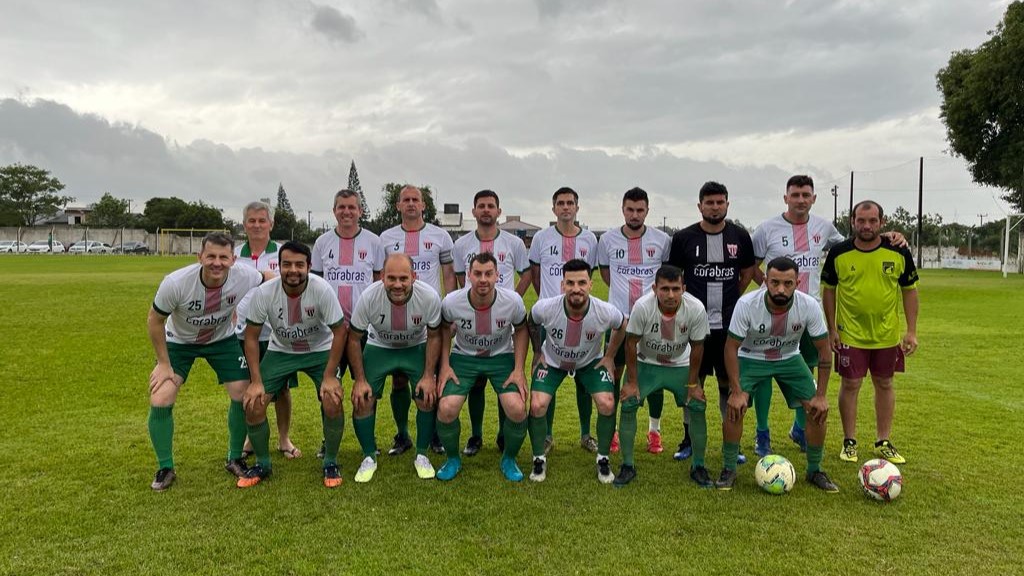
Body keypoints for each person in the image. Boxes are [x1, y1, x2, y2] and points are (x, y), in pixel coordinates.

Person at [750, 176, 906, 457]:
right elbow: (750, 266)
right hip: (772, 313)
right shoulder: (766, 229)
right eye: (795, 194)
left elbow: (855, 244)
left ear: (813, 199)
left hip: (808, 315)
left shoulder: (824, 227)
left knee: (805, 371)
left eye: (805, 194)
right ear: (785, 197)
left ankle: (800, 429)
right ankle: (762, 433)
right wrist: (772, 288)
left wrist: (888, 237)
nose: (800, 199)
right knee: (762, 372)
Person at [146, 232, 265, 491]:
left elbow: (267, 278)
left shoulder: (244, 275)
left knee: (243, 394)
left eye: (223, 257)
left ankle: (235, 458)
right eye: (210, 256)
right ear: (200, 257)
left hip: (221, 341)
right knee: (161, 397)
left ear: (234, 259)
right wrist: (163, 363)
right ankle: (165, 466)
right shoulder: (176, 283)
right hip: (179, 342)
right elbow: (154, 320)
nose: (217, 262)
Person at [716, 257, 838, 493]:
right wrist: (737, 391)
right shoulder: (747, 303)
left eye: (788, 283)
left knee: (817, 409)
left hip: (790, 357)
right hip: (751, 357)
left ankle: (815, 470)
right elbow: (731, 347)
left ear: (798, 282)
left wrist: (821, 395)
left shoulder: (809, 305)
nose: (781, 289)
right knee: (735, 407)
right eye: (775, 283)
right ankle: (729, 468)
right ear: (765, 280)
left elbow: (824, 350)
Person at [237, 242, 348, 488]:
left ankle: (330, 461)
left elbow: (340, 332)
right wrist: (255, 382)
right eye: (287, 264)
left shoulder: (321, 289)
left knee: (332, 398)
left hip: (319, 351)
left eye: (300, 264)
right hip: (281, 350)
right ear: (279, 266)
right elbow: (252, 336)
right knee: (254, 403)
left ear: (309, 266)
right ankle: (263, 464)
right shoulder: (265, 292)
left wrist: (330, 375)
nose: (293, 270)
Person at [822, 200, 919, 464]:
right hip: (850, 333)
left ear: (882, 222)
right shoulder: (839, 252)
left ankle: (883, 440)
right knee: (851, 383)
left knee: (885, 383)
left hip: (886, 335)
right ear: (852, 221)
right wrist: (832, 329)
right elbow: (829, 290)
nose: (866, 226)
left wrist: (911, 331)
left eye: (872, 221)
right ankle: (849, 441)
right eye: (861, 220)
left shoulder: (898, 251)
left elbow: (909, 291)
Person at [668, 181, 755, 463]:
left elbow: (746, 273)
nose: (715, 207)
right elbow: (675, 278)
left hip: (729, 326)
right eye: (709, 203)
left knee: (728, 384)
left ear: (727, 204)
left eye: (720, 202)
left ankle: (733, 441)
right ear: (700, 206)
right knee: (693, 383)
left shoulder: (740, 236)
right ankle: (689, 439)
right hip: (694, 327)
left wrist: (731, 301)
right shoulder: (683, 238)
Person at [527, 259, 626, 484]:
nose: (576, 288)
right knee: (537, 404)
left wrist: (609, 356)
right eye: (570, 283)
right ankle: (538, 458)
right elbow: (531, 321)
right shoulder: (547, 307)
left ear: (591, 284)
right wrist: (536, 351)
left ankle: (603, 459)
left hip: (589, 363)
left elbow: (622, 325)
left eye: (582, 282)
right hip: (553, 362)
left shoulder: (604, 311)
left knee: (608, 403)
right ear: (562, 285)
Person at [347, 254, 443, 482]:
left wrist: (430, 375)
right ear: (382, 277)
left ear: (414, 277)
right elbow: (353, 339)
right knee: (363, 398)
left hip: (414, 346)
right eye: (391, 278)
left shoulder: (428, 296)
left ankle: (421, 454)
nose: (397, 284)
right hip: (380, 346)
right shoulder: (370, 296)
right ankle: (369, 456)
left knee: (426, 395)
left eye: (403, 278)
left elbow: (435, 335)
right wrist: (359, 380)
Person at [435, 253, 531, 481]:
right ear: (468, 275)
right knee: (447, 407)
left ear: (498, 276)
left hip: (501, 357)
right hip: (464, 357)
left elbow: (522, 330)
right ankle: (452, 459)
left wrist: (518, 369)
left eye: (489, 273)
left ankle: (509, 458)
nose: (483, 279)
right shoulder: (451, 301)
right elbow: (444, 330)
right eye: (477, 273)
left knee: (517, 408)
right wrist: (445, 365)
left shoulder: (513, 300)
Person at [451, 190, 531, 456]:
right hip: (471, 318)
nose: (486, 210)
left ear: (498, 211)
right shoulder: (461, 244)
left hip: (502, 322)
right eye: (481, 206)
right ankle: (475, 435)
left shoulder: (514, 244)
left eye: (491, 206)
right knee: (475, 382)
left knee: (503, 379)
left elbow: (527, 273)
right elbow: (460, 280)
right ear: (473, 211)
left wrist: (511, 301)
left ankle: (502, 433)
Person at [616, 265, 710, 487]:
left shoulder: (696, 308)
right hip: (646, 362)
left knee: (697, 404)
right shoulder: (642, 306)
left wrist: (693, 384)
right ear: (654, 288)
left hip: (680, 364)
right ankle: (627, 465)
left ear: (683, 289)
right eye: (665, 289)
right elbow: (630, 343)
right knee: (629, 402)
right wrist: (631, 382)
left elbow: (697, 347)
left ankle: (699, 466)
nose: (670, 295)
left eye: (676, 289)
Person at [311, 189, 385, 458]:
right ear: (334, 211)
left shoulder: (373, 242)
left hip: (363, 328)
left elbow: (379, 282)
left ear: (360, 211)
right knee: (329, 387)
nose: (346, 212)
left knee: (367, 387)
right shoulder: (322, 243)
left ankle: (369, 439)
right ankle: (326, 440)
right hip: (330, 329)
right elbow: (316, 283)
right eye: (341, 207)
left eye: (352, 207)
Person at [381, 185, 454, 455]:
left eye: (416, 200)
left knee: (430, 378)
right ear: (398, 206)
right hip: (397, 319)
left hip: (429, 319)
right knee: (398, 380)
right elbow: (381, 277)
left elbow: (448, 275)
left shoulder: (440, 236)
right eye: (405, 200)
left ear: (424, 206)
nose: (411, 204)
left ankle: (433, 433)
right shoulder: (385, 238)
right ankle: (402, 435)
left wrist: (450, 311)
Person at [598, 187, 672, 455]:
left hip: (653, 320)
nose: (635, 215)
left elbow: (665, 278)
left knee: (653, 375)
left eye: (640, 210)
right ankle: (615, 431)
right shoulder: (607, 240)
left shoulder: (662, 240)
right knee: (614, 374)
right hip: (619, 321)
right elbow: (606, 275)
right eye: (630, 209)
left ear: (647, 211)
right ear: (622, 209)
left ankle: (654, 431)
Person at [528, 187, 600, 454]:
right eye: (561, 203)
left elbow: (589, 275)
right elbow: (536, 273)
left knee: (584, 379)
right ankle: (547, 435)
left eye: (570, 203)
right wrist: (548, 303)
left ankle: (586, 434)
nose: (566, 207)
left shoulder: (590, 239)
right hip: (552, 320)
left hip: (584, 319)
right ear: (554, 208)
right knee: (549, 377)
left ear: (577, 208)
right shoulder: (541, 238)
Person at [232, 201, 299, 464]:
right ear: (244, 224)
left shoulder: (284, 253)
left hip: (276, 334)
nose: (257, 225)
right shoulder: (235, 254)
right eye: (252, 221)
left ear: (271, 224)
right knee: (247, 388)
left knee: (281, 390)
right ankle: (250, 437)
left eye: (262, 220)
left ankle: (284, 438)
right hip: (241, 333)